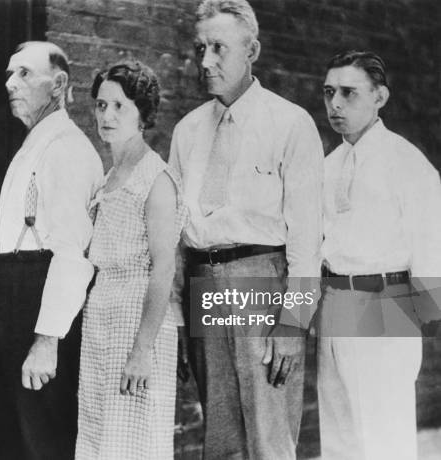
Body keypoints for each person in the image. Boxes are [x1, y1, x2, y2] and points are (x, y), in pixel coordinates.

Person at [169, 0, 324, 458]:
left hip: (261, 282)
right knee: (219, 439)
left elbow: (306, 241)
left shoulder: (290, 123)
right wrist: (176, 320)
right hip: (203, 280)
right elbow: (178, 234)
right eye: (200, 48)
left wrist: (294, 325)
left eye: (218, 48)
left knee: (268, 437)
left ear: (252, 49)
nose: (205, 61)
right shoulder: (187, 131)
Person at [0, 41, 103, 459]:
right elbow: (32, 239)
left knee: (44, 439)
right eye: (8, 74)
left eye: (23, 73)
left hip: (42, 311)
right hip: (21, 295)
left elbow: (71, 256)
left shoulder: (67, 149)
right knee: (20, 435)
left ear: (58, 85)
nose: (10, 83)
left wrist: (47, 341)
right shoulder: (37, 143)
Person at [318, 50, 441, 460]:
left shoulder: (406, 162)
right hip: (335, 304)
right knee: (339, 437)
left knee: (383, 439)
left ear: (380, 97)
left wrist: (417, 325)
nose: (335, 104)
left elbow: (430, 247)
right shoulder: (328, 166)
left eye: (349, 93)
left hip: (386, 304)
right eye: (329, 92)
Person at [75, 61, 186, 460]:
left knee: (134, 443)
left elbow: (164, 269)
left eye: (119, 106)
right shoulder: (109, 177)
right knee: (97, 437)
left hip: (138, 322)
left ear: (142, 112)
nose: (107, 115)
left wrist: (142, 350)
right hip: (102, 315)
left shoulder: (156, 179)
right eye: (101, 106)